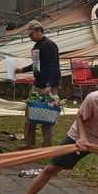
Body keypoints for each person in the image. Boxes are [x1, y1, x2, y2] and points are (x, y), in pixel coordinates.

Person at [14, 20, 61, 148]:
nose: (30, 37)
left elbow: (53, 65)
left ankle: (47, 144)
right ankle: (29, 142)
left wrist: (49, 85)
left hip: (48, 86)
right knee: (30, 112)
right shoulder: (36, 47)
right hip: (37, 83)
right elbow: (36, 65)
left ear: (39, 30)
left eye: (31, 34)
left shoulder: (50, 45)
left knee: (46, 115)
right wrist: (22, 70)